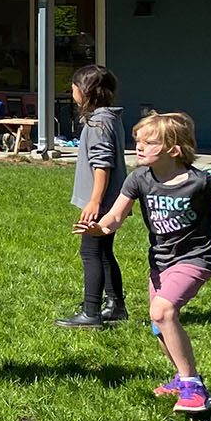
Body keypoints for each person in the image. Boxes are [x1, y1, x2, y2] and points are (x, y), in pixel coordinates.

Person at [75, 112, 211, 413]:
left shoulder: (199, 182)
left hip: (196, 258)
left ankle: (194, 386)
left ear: (174, 148)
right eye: (138, 141)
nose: (140, 147)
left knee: (162, 311)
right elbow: (116, 215)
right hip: (161, 261)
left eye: (149, 142)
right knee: (160, 325)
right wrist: (102, 227)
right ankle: (181, 377)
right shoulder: (139, 179)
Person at [57, 65, 130, 329]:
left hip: (102, 201)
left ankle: (91, 312)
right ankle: (116, 305)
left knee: (90, 252)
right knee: (103, 251)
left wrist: (95, 201)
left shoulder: (99, 122)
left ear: (85, 91)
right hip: (110, 201)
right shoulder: (108, 118)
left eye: (74, 86)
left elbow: (103, 164)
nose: (71, 91)